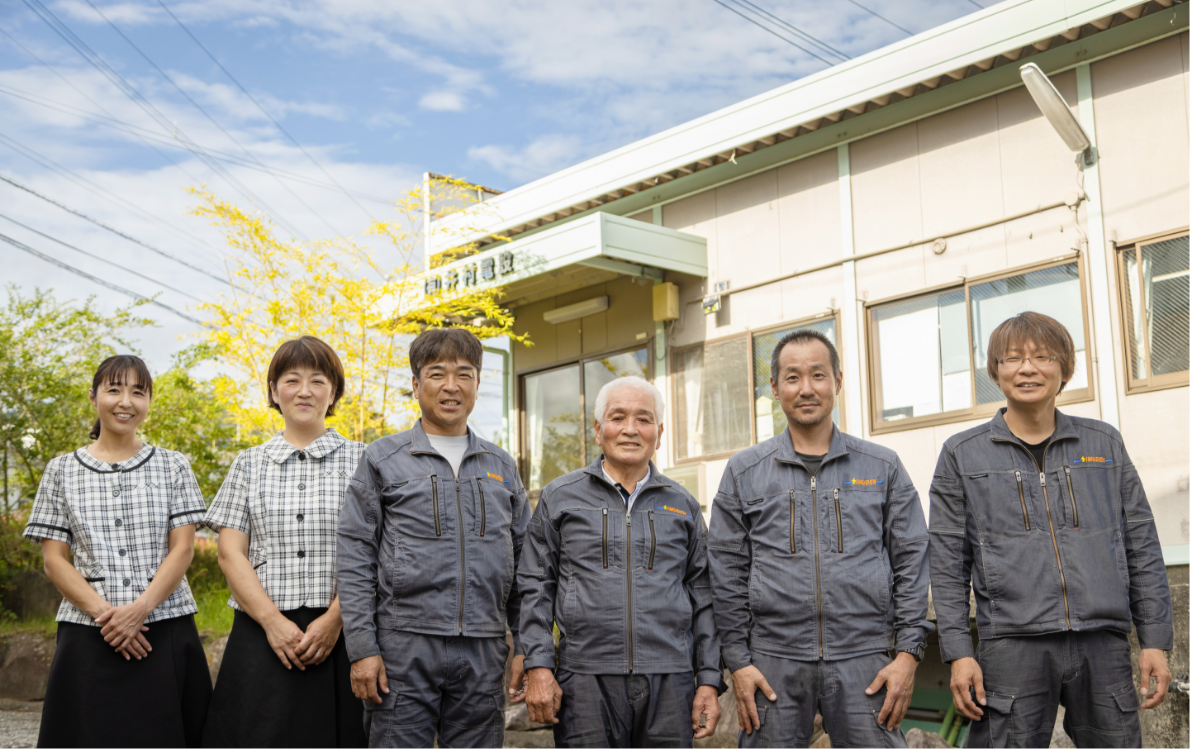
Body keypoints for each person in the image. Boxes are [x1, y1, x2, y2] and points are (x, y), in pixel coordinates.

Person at [929, 312, 1173, 748]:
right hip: (1011, 647)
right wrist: (960, 652)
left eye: (1042, 356)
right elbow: (947, 565)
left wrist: (1155, 640)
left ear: (1064, 367)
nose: (1028, 368)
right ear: (995, 371)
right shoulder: (961, 455)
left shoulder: (1103, 444)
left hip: (1102, 641)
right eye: (1013, 358)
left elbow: (1141, 544)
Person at [709, 329, 930, 748]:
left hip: (865, 656)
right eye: (792, 377)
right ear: (774, 388)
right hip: (772, 662)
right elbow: (725, 572)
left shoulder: (882, 466)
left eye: (818, 375)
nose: (806, 388)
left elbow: (912, 562)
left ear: (838, 382)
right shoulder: (744, 472)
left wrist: (907, 655)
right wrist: (737, 662)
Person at [337, 327, 531, 748]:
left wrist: (526, 648)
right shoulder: (382, 459)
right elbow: (355, 559)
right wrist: (362, 649)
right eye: (437, 373)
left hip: (483, 647)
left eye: (464, 374)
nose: (451, 386)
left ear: (478, 384)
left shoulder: (501, 466)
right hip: (403, 648)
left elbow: (525, 566)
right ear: (415, 383)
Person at [518, 375, 722, 748]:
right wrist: (538, 663)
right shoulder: (559, 498)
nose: (630, 429)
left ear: (659, 433)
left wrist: (708, 679)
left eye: (643, 419)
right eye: (617, 418)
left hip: (670, 680)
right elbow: (535, 586)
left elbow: (704, 597)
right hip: (584, 680)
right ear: (598, 430)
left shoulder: (684, 506)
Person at [24, 355, 212, 749]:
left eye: (137, 392)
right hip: (87, 632)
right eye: (114, 390)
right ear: (94, 398)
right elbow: (54, 558)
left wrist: (139, 610)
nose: (125, 401)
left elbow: (182, 549)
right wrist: (107, 616)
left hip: (165, 627)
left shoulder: (174, 466)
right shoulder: (61, 471)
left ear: (148, 402)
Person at [201, 336, 366, 748]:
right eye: (292, 380)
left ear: (334, 392)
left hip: (345, 632)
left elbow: (379, 551)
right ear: (274, 391)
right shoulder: (248, 463)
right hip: (260, 633)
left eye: (318, 380)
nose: (305, 391)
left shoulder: (367, 460)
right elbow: (229, 552)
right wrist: (273, 622)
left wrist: (334, 619)